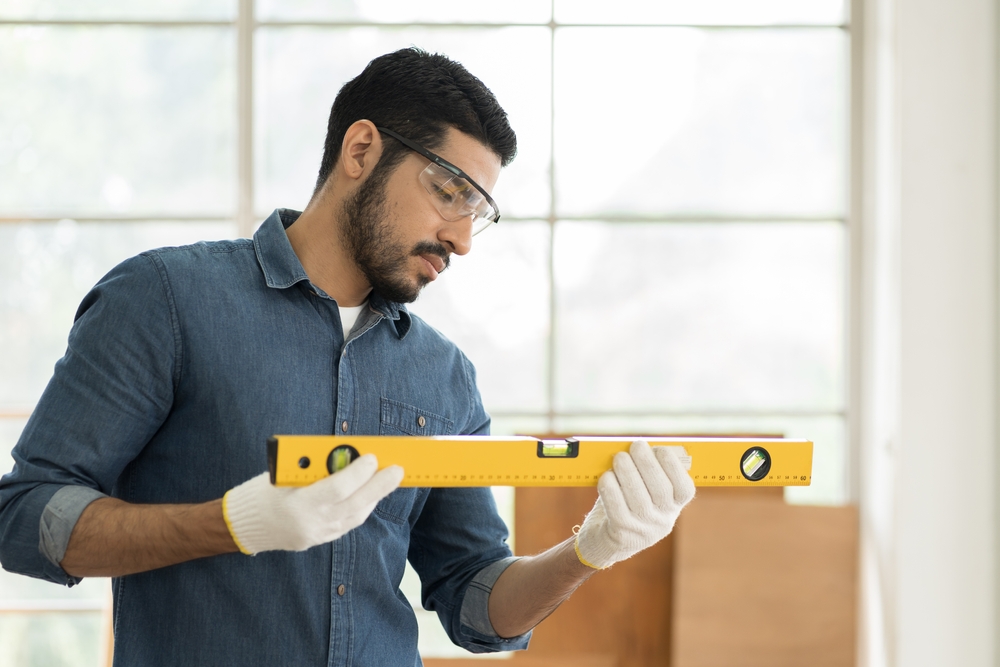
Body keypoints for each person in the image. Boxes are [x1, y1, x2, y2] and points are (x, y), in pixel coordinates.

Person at [0, 47, 694, 666]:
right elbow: (26, 517)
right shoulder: (164, 299)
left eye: (478, 211)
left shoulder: (444, 376)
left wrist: (588, 551)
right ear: (360, 151)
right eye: (450, 190)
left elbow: (476, 605)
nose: (461, 239)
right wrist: (233, 523)